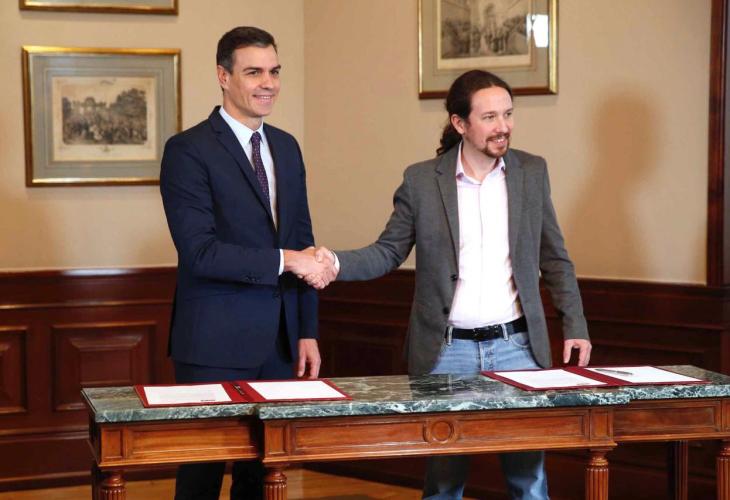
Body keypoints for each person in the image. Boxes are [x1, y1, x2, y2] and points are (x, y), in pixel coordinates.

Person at [312, 70, 591, 500]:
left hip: (517, 349)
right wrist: (332, 262)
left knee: (529, 482)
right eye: (489, 117)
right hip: (446, 353)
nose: (503, 126)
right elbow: (387, 252)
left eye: (508, 114)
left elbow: (554, 257)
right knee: (444, 483)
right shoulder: (422, 181)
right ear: (460, 123)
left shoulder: (531, 172)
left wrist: (575, 324)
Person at [160, 26, 333, 500]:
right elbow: (199, 252)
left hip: (279, 343)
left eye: (274, 71)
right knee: (200, 479)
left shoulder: (287, 146)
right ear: (223, 76)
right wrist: (285, 259)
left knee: (262, 476)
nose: (268, 83)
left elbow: (303, 243)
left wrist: (306, 330)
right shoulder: (188, 150)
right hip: (212, 343)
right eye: (254, 72)